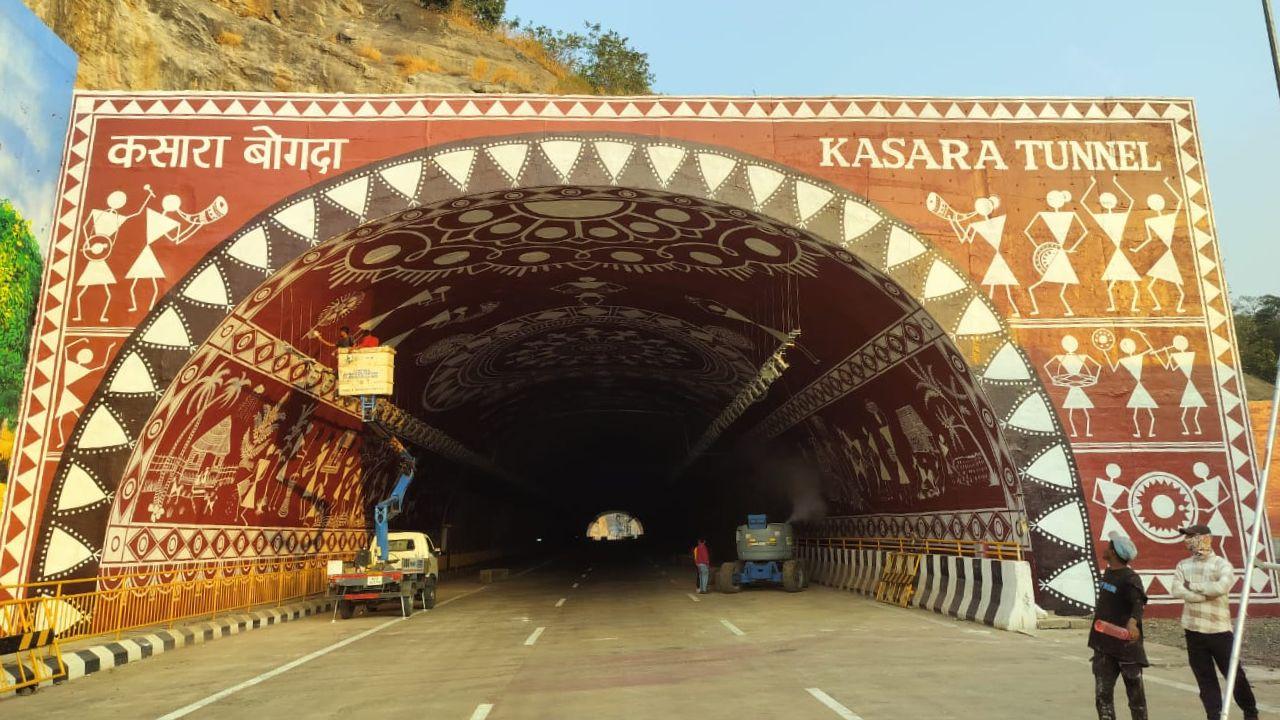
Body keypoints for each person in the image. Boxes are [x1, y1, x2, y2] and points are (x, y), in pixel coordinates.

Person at [1170, 524, 1260, 720]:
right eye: (1187, 537)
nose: (1188, 541)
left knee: (1235, 676)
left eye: (1192, 536)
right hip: (1193, 630)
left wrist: (1192, 586)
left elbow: (1221, 587)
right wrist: (1202, 595)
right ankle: (1214, 715)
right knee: (1205, 680)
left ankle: (1250, 712)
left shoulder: (1222, 565)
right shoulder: (1183, 565)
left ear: (1205, 538)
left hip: (1218, 630)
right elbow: (1177, 589)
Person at [1088, 531, 1148, 720]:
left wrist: (1132, 624)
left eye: (1109, 546)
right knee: (1102, 697)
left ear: (1113, 552)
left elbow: (1138, 603)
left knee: (1136, 699)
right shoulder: (1109, 573)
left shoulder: (1130, 578)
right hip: (1104, 646)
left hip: (1126, 648)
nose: (1105, 548)